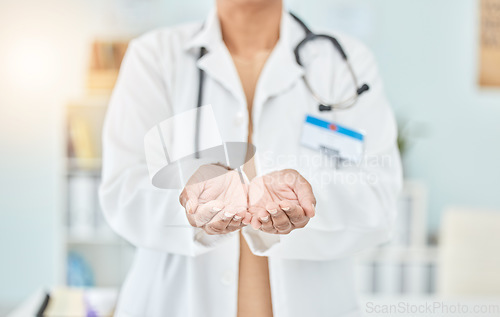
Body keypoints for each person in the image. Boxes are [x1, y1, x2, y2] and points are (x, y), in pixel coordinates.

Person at [99, 0, 402, 316]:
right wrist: (189, 207)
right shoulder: (155, 57)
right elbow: (123, 191)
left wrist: (307, 202)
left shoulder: (344, 63)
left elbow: (379, 197)